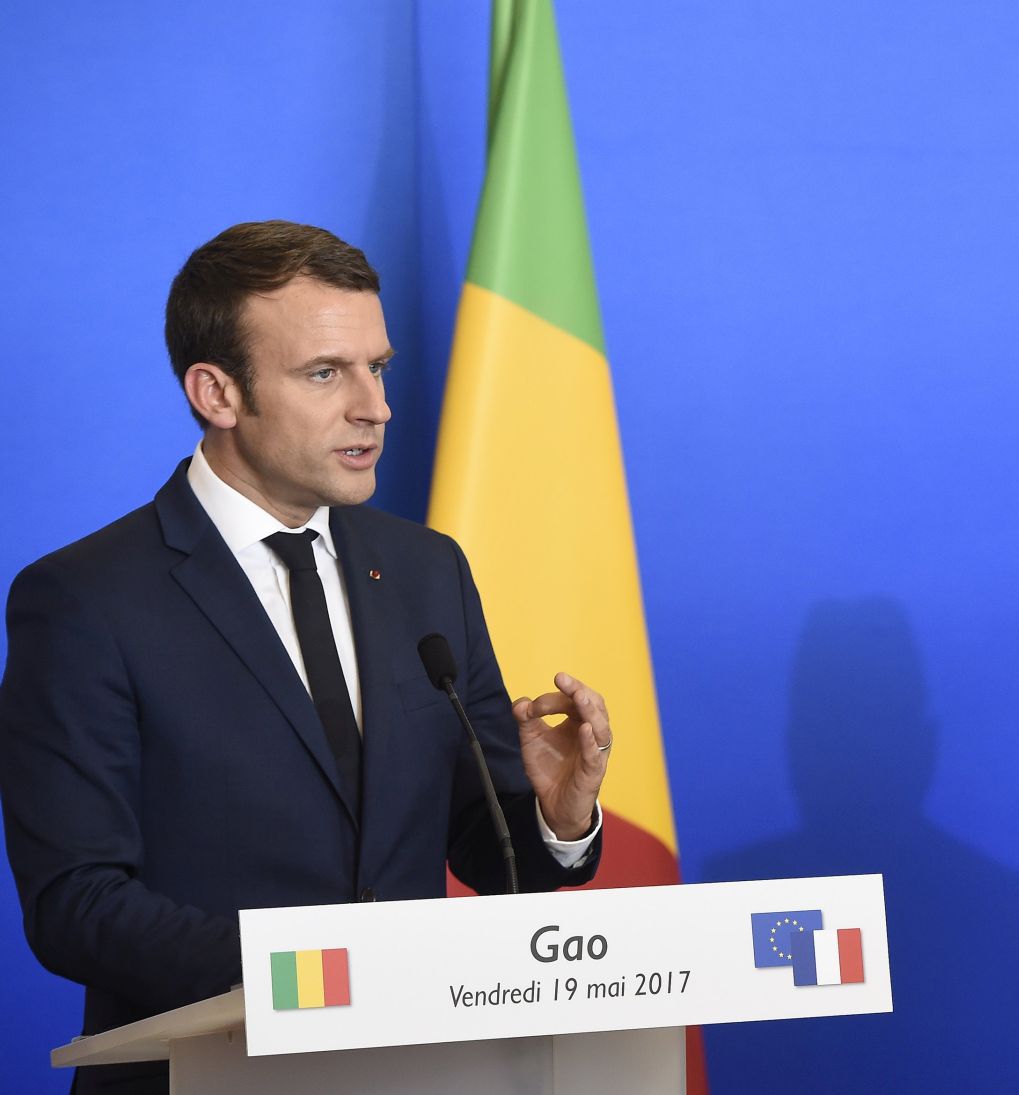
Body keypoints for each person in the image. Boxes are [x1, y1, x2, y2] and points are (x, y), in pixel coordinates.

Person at [0, 221, 612, 1094]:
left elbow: (485, 852)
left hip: (421, 1073)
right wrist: (321, 977)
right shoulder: (88, 598)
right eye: (327, 373)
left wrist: (553, 817)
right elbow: (76, 904)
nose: (376, 406)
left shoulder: (425, 570)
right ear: (218, 393)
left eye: (379, 367)